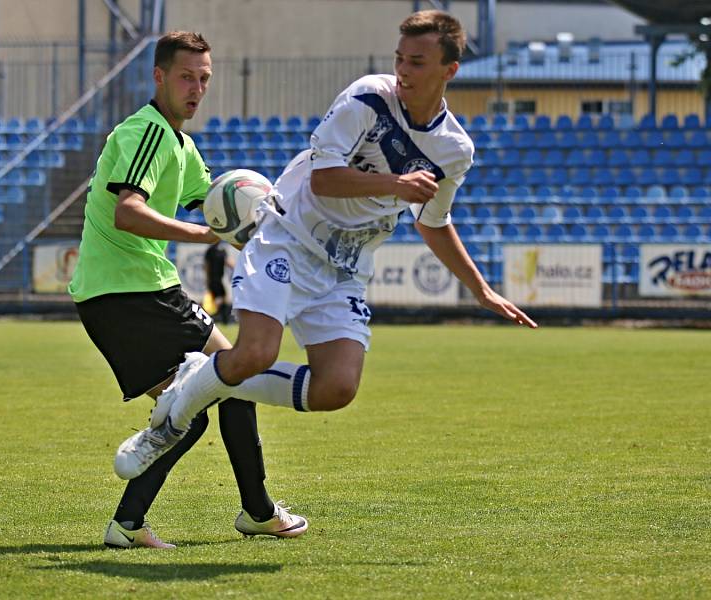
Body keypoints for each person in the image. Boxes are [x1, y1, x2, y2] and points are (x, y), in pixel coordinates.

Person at [115, 11, 537, 479]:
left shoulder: (454, 150)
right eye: (399, 58)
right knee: (257, 353)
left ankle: (203, 374)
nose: (403, 71)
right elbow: (323, 181)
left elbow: (434, 222)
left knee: (336, 388)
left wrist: (480, 290)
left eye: (417, 62)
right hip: (287, 237)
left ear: (449, 70)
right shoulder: (368, 99)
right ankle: (168, 424)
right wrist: (397, 184)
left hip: (344, 267)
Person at [68, 31, 307, 549]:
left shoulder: (182, 145)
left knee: (224, 385)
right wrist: (203, 234)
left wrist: (270, 225)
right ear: (159, 77)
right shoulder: (145, 132)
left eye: (204, 78)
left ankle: (137, 524)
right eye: (185, 77)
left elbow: (217, 206)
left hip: (136, 294)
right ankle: (253, 512)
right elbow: (127, 211)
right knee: (219, 387)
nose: (196, 88)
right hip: (128, 295)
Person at [204, 240, 234, 324]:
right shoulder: (220, 251)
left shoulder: (211, 250)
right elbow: (229, 263)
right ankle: (221, 317)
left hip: (215, 278)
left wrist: (207, 279)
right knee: (221, 298)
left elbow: (207, 266)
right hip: (217, 278)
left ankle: (221, 317)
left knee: (221, 298)